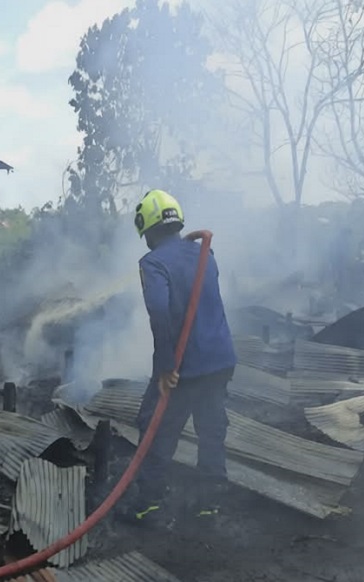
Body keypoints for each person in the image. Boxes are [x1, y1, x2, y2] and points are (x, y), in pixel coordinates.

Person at [122, 189, 237, 527]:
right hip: (220, 360)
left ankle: (149, 504)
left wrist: (165, 367)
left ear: (150, 229)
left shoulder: (153, 263)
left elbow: (160, 313)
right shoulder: (204, 254)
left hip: (184, 366)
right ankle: (209, 504)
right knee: (211, 431)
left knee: (156, 428)